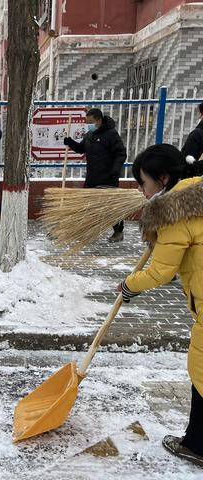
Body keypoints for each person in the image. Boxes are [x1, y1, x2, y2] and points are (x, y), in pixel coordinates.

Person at [118, 144, 203, 468]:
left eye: (142, 182)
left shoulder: (173, 212)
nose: (140, 190)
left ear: (163, 178)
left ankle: (197, 445)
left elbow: (160, 272)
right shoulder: (197, 195)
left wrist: (128, 286)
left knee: (201, 370)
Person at [64, 108, 127, 242]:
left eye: (91, 122)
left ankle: (118, 232)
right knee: (87, 206)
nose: (89, 124)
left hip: (108, 177)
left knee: (110, 207)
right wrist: (70, 143)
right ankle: (88, 231)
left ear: (99, 120)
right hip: (92, 176)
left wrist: (115, 170)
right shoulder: (89, 135)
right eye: (87, 122)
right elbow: (81, 149)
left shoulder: (111, 135)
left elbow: (121, 154)